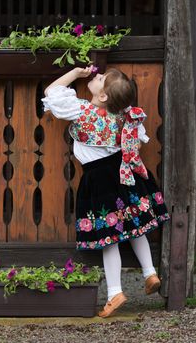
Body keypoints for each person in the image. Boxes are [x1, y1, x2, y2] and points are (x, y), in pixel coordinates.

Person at [42, 66, 170, 318]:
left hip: (99, 179)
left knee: (109, 238)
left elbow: (52, 92)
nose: (94, 77)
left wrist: (75, 74)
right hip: (125, 174)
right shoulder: (125, 115)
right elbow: (139, 136)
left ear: (103, 97)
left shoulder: (82, 110)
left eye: (99, 79)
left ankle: (114, 293)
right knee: (136, 227)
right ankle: (149, 272)